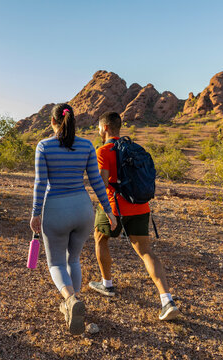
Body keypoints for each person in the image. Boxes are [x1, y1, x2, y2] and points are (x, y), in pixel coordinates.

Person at [30, 103, 117, 335]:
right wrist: (108, 211)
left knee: (56, 262)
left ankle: (70, 300)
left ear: (52, 122)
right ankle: (75, 302)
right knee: (74, 259)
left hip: (56, 209)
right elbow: (97, 182)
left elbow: (40, 183)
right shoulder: (87, 145)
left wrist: (35, 213)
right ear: (72, 121)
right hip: (82, 209)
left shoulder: (44, 146)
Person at [88, 111, 179, 321]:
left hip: (113, 207)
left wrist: (106, 210)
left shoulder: (103, 150)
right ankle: (167, 300)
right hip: (140, 206)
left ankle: (107, 284)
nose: (99, 131)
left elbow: (102, 183)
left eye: (99, 128)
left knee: (100, 240)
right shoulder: (135, 148)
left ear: (105, 128)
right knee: (146, 252)